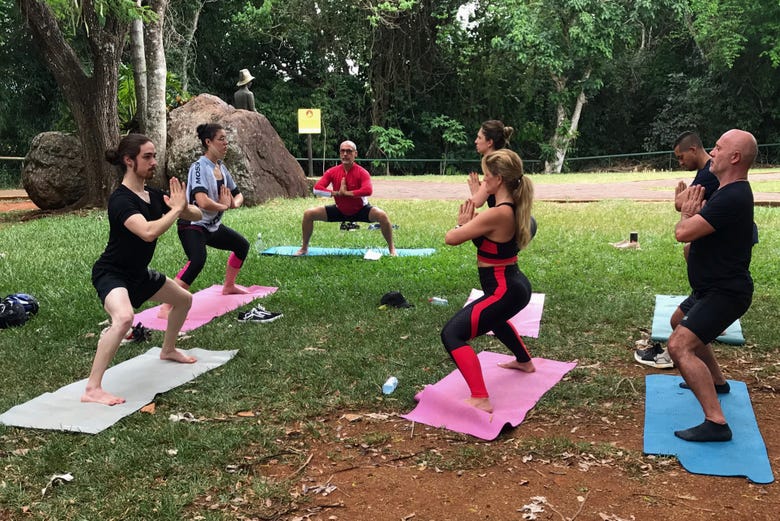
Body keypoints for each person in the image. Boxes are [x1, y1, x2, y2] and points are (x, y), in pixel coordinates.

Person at [85, 134, 203, 406]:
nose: (153, 162)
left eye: (154, 156)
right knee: (124, 318)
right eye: (147, 157)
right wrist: (174, 212)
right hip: (112, 273)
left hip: (139, 273)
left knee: (184, 300)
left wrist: (183, 207)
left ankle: (169, 349)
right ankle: (92, 388)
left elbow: (196, 215)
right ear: (129, 161)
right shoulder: (120, 200)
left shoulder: (153, 195)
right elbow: (148, 232)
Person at [667, 129, 757, 442]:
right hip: (712, 288)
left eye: (718, 148)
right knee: (678, 321)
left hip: (727, 293)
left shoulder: (733, 196)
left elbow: (683, 233)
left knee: (679, 345)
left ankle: (716, 422)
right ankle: (717, 381)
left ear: (734, 158)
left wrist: (687, 213)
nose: (712, 153)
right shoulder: (725, 190)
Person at [440, 148, 535, 413]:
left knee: (452, 334)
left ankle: (480, 397)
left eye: (485, 177)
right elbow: (485, 227)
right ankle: (524, 361)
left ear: (498, 180)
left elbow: (451, 238)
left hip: (504, 289)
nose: (483, 182)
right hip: (513, 285)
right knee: (494, 318)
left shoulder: (499, 213)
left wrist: (462, 224)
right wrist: (473, 217)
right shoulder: (512, 208)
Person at [158, 123, 251, 318]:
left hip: (211, 226)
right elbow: (201, 201)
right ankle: (166, 307)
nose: (226, 143)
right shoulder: (199, 167)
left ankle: (229, 286)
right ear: (208, 142)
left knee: (242, 245)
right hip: (192, 225)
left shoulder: (221, 168)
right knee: (197, 261)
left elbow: (238, 195)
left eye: (226, 139)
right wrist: (223, 205)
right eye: (221, 139)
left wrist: (233, 204)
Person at [295, 140, 396, 256]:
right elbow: (317, 189)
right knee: (309, 214)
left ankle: (392, 249)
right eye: (342, 151)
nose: (345, 154)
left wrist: (347, 193)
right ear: (339, 153)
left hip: (361, 210)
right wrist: (337, 193)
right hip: (340, 210)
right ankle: (304, 248)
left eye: (349, 151)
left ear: (355, 154)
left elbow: (368, 191)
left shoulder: (362, 172)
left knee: (382, 215)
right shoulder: (332, 172)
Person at [467, 120, 514, 208]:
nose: (475, 141)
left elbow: (477, 202)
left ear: (489, 142)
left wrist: (475, 191)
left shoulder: (493, 164)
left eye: (479, 138)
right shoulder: (500, 160)